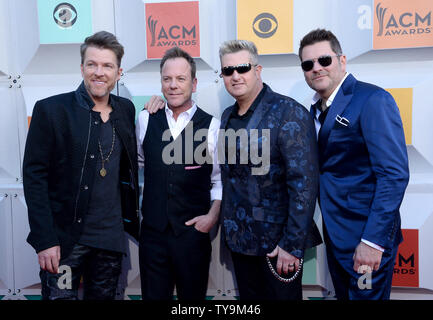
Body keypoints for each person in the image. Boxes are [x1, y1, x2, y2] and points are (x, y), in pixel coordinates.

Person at [22, 31, 139, 300]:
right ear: (82, 68)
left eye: (107, 65)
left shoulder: (126, 110)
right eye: (92, 64)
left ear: (118, 72)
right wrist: (45, 240)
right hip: (64, 244)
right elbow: (34, 177)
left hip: (109, 241)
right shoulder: (51, 110)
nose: (99, 72)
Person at [298, 29, 409, 299]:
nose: (316, 68)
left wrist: (372, 242)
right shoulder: (314, 110)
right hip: (337, 238)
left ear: (342, 61)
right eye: (308, 64)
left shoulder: (372, 100)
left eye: (324, 60)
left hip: (366, 239)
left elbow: (393, 175)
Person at [218, 40, 322, 300]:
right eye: (227, 71)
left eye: (242, 68)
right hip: (240, 242)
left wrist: (292, 245)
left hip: (278, 247)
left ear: (258, 69)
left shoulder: (289, 112)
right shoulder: (227, 116)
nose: (235, 75)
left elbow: (304, 185)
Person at [136, 47, 222, 300]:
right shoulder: (144, 118)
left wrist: (211, 218)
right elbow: (141, 164)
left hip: (192, 237)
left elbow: (218, 179)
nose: (173, 85)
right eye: (167, 79)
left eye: (181, 79)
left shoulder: (213, 126)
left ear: (193, 83)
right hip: (152, 236)